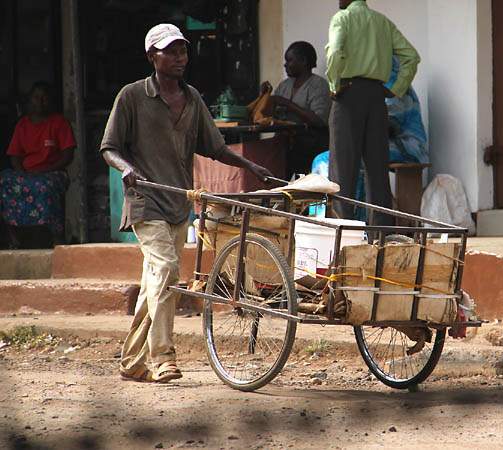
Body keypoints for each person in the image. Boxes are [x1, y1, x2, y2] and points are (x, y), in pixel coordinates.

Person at [100, 23, 272, 384]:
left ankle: (132, 361)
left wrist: (249, 164)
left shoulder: (192, 98)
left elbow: (216, 147)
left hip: (179, 204)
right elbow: (109, 148)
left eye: (183, 50)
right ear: (152, 56)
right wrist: (126, 167)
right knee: (166, 272)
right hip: (145, 201)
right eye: (170, 51)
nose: (180, 57)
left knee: (155, 285)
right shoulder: (132, 96)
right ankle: (163, 357)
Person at [325, 0, 420, 225]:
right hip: (377, 98)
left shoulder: (342, 18)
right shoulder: (382, 22)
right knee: (377, 171)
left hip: (347, 96)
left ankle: (344, 236)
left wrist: (333, 84)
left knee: (343, 171)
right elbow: (412, 57)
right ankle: (383, 237)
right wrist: (395, 89)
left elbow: (336, 51)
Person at [0, 82, 75, 248]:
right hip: (27, 173)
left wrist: (46, 170)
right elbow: (14, 155)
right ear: (29, 100)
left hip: (52, 173)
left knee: (44, 186)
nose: (40, 102)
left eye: (44, 98)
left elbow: (67, 155)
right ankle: (13, 238)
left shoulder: (59, 123)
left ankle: (56, 237)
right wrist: (23, 173)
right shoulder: (23, 124)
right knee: (4, 181)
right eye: (36, 98)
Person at [261, 41, 331, 179]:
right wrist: (264, 96)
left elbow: (319, 120)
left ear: (303, 61)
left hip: (310, 143)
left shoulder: (318, 85)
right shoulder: (285, 85)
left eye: (290, 60)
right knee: (268, 158)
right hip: (285, 143)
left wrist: (287, 103)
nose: (285, 64)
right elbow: (268, 115)